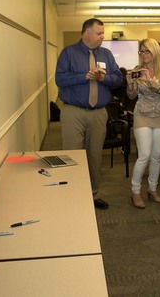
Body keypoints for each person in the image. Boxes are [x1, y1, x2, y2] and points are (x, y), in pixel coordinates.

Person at [55, 18, 123, 210]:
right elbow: (59, 78)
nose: (103, 36)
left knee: (94, 156)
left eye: (103, 33)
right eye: (99, 33)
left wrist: (103, 77)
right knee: (72, 155)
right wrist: (84, 76)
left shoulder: (106, 54)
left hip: (99, 113)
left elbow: (117, 79)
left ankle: (93, 194)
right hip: (73, 112)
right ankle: (73, 195)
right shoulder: (69, 53)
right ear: (86, 33)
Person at [126, 39, 160, 209]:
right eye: (141, 51)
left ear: (155, 52)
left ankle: (152, 189)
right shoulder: (137, 71)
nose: (144, 55)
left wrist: (151, 79)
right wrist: (130, 84)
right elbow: (131, 96)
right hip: (142, 114)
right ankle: (135, 191)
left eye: (147, 51)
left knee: (157, 156)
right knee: (144, 155)